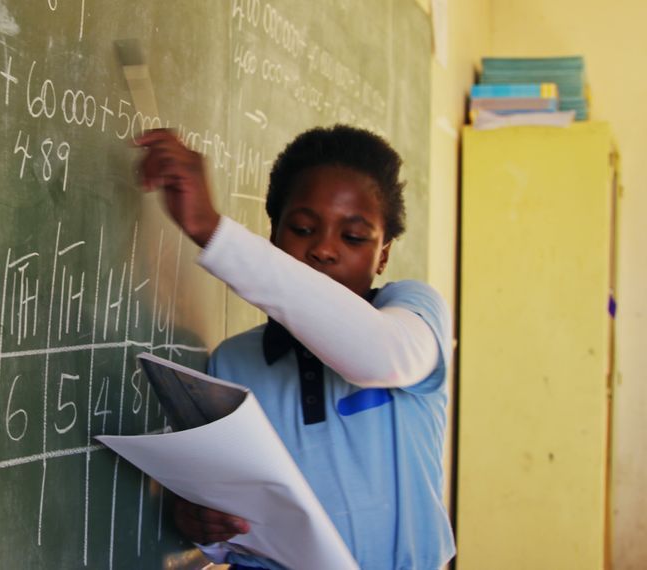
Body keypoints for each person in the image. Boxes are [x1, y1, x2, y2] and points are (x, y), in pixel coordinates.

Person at [135, 125, 455, 569]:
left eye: (355, 237)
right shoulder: (231, 362)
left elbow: (379, 354)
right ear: (273, 235)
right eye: (304, 228)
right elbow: (231, 525)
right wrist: (202, 525)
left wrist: (212, 230)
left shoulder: (414, 316)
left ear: (383, 255)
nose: (324, 249)